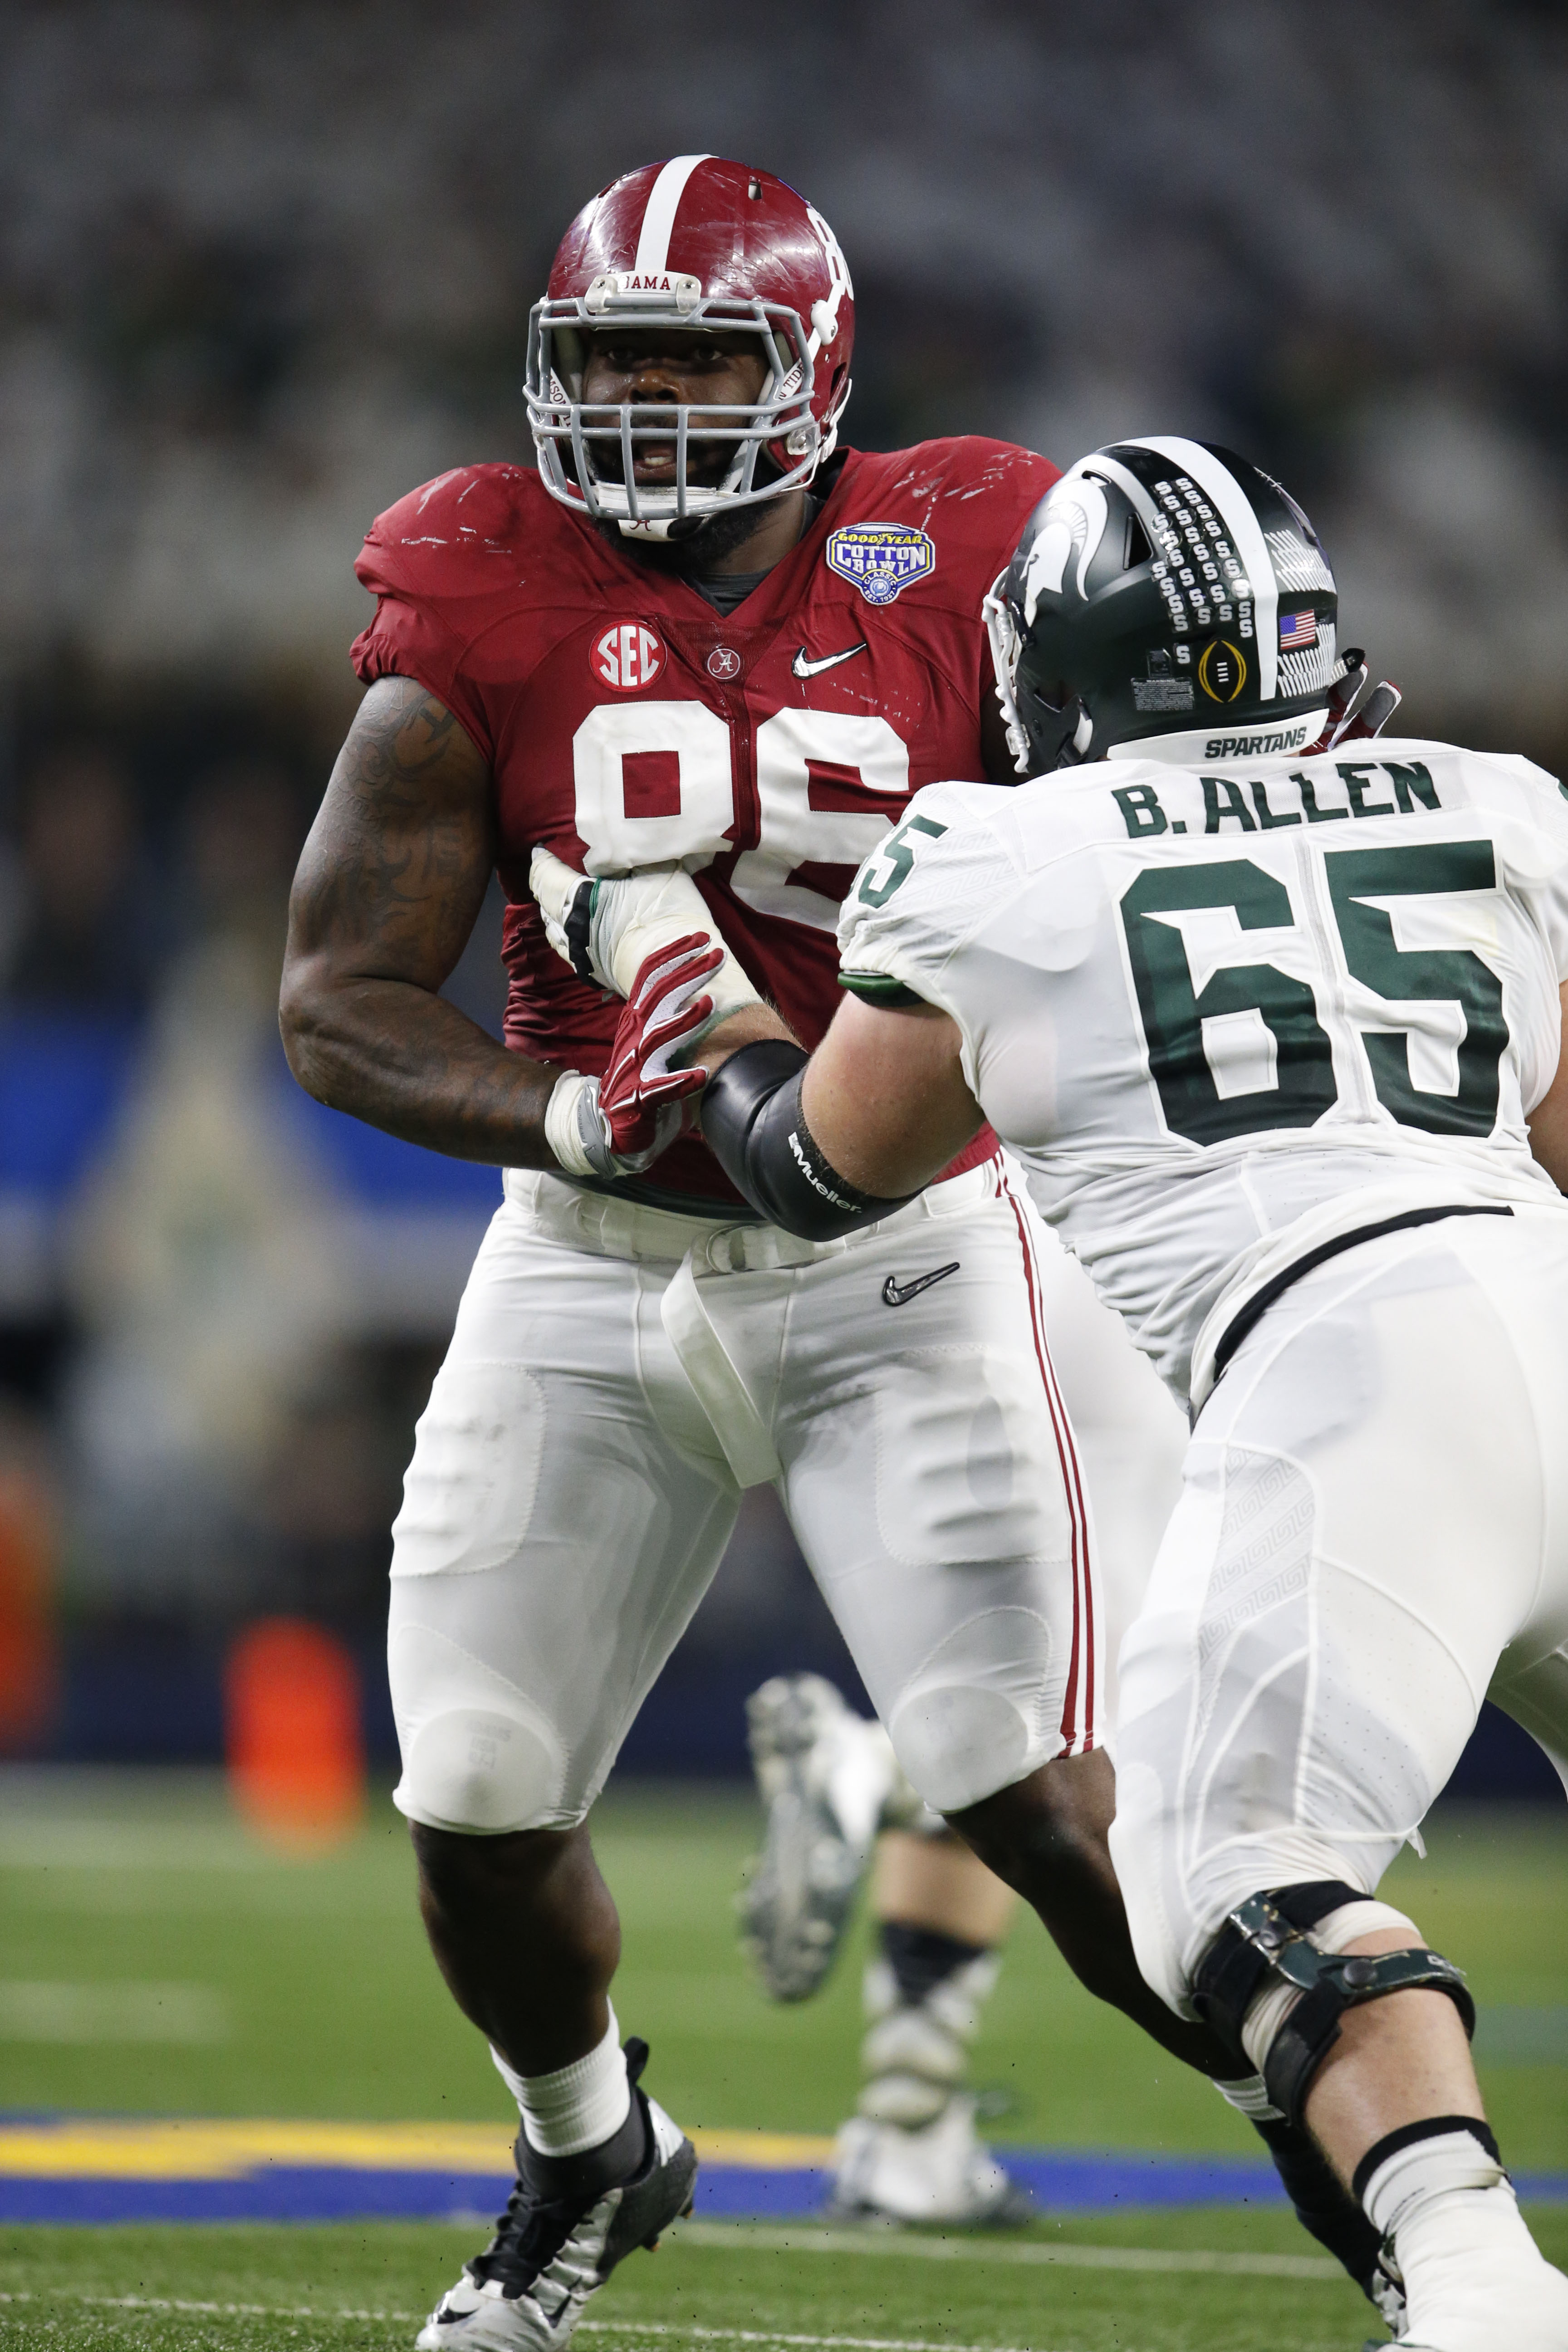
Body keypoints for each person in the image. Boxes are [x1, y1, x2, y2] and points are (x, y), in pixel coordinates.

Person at [280, 159, 1239, 2352]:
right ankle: (588, 2151)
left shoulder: (973, 543)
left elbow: (1159, 805)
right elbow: (337, 998)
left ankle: (1398, 2189)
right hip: (587, 1254)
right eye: (610, 360)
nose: (643, 406)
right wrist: (561, 1112)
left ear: (807, 368)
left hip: (911, 1254)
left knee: (1054, 1814)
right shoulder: (481, 579)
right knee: (473, 1797)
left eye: (693, 363)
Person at [598, 434, 1568, 2350]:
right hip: (1536, 1287)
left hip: (1346, 1363)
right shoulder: (1502, 805)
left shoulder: (1003, 856)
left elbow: (816, 1167)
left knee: (1228, 1880)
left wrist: (668, 963)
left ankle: (1477, 2287)